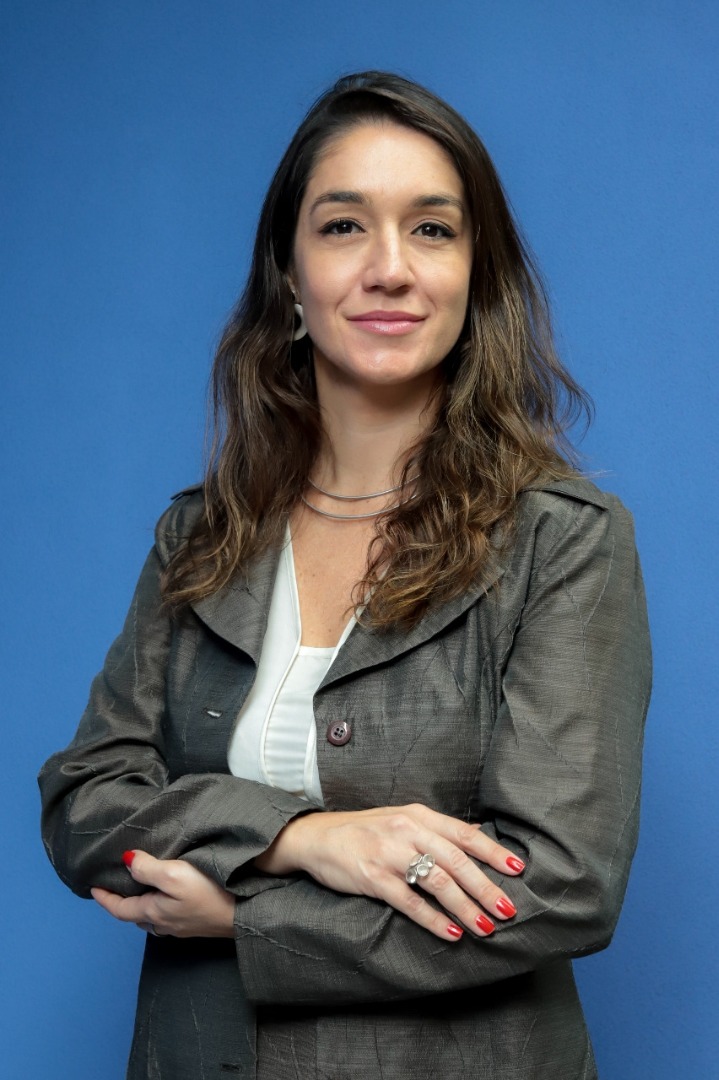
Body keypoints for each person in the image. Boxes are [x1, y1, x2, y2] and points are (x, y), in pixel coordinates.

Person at [39, 71, 651, 1079]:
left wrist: (243, 916)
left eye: (431, 229)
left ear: (474, 275)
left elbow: (559, 884)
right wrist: (303, 839)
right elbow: (87, 803)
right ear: (289, 277)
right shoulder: (200, 536)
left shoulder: (562, 540)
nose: (388, 269)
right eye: (342, 227)